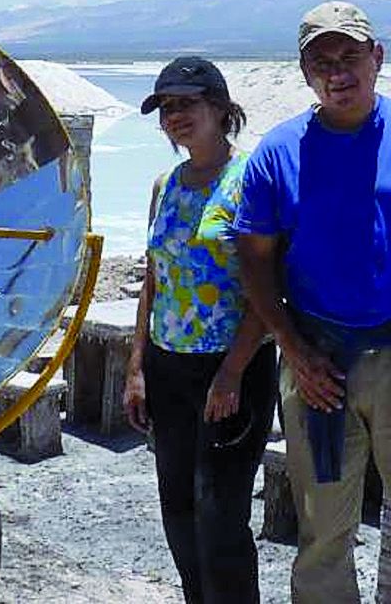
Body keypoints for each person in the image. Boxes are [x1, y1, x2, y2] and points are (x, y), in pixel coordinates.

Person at [234, 1, 391, 604]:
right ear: (305, 72)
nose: (338, 72)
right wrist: (296, 352)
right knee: (322, 537)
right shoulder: (278, 152)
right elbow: (254, 260)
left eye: (349, 56)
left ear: (377, 58)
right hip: (319, 367)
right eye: (322, 62)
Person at [121, 56, 278, 604]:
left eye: (187, 104)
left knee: (221, 517)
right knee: (179, 511)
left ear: (220, 108)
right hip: (169, 368)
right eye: (166, 108)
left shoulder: (251, 180)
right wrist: (137, 367)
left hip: (233, 369)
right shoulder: (164, 184)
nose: (175, 117)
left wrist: (231, 372)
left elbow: (269, 288)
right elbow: (153, 279)